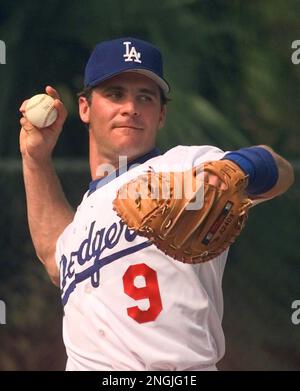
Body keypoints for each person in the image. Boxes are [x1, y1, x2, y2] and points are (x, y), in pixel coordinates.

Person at [19, 37, 294, 371]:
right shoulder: (83, 216)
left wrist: (240, 169)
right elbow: (55, 260)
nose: (130, 107)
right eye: (115, 94)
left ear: (161, 114)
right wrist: (35, 159)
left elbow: (280, 169)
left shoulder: (182, 166)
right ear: (85, 108)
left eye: (145, 97)